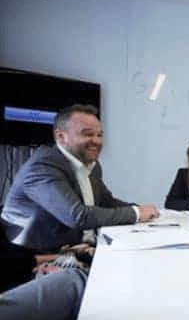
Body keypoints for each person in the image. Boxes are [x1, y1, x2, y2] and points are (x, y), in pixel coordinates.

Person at [1, 105, 159, 253]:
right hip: (37, 258)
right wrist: (136, 213)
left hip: (78, 246)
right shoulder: (42, 167)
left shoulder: (92, 165)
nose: (96, 141)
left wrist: (144, 210)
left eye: (99, 135)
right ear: (61, 136)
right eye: (88, 134)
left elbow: (107, 202)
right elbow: (77, 216)